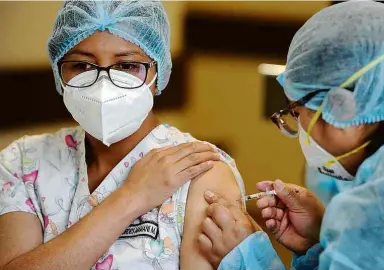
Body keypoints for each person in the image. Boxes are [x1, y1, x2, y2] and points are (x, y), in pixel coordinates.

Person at [0, 1, 245, 270]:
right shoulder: (23, 162)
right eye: (82, 66)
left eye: (127, 66)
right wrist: (130, 198)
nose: (103, 84)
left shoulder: (200, 170)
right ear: (60, 72)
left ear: (158, 71)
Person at [197, 2, 384, 269]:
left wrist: (246, 258)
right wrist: (320, 242)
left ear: (341, 106)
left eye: (297, 113)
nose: (297, 127)